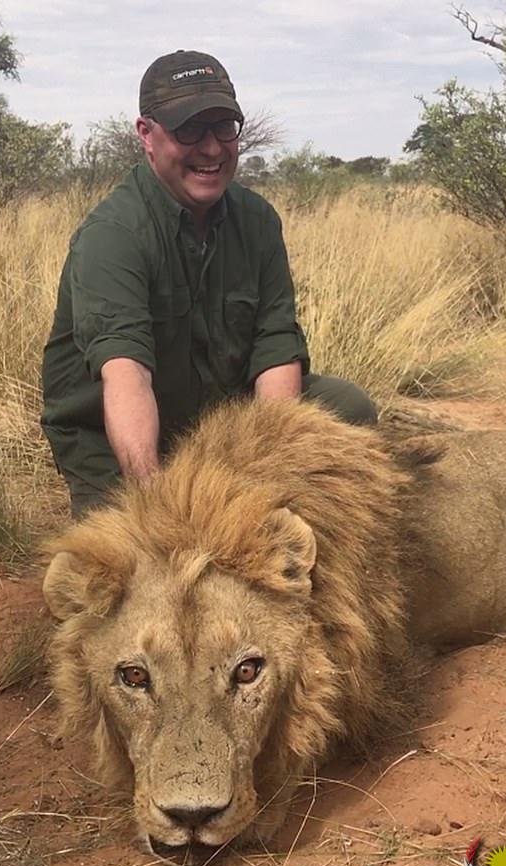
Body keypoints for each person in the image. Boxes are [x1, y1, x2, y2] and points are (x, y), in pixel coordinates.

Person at [41, 50, 377, 517]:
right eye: (189, 130)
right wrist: (158, 506)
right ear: (146, 134)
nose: (213, 149)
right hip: (117, 433)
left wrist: (272, 465)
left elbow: (275, 348)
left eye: (223, 127)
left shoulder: (257, 220)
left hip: (219, 418)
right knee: (134, 549)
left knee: (347, 407)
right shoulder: (112, 235)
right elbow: (126, 374)